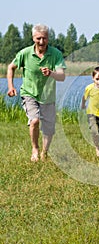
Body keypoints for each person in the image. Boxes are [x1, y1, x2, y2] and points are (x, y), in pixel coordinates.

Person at [7, 24, 66, 162]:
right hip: (29, 93)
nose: (41, 42)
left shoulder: (55, 54)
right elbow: (11, 67)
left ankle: (44, 153)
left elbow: (62, 76)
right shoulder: (25, 53)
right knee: (34, 120)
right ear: (33, 38)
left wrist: (51, 73)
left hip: (48, 96)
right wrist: (11, 86)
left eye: (44, 38)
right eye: (38, 38)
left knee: (49, 128)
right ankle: (35, 148)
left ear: (48, 38)